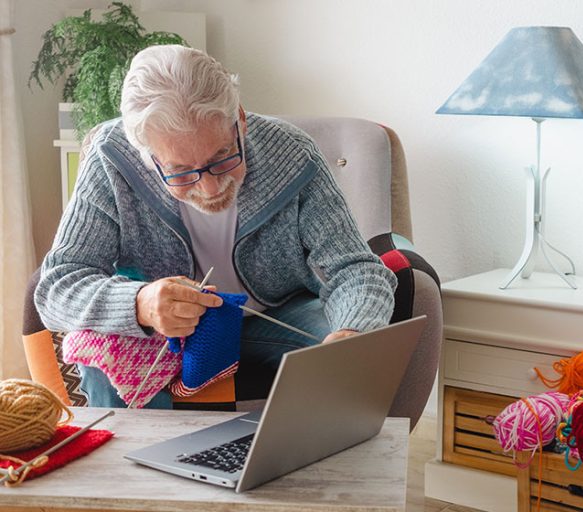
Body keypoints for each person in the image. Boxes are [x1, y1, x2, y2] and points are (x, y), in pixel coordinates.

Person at [34, 45, 397, 408]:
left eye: (222, 156)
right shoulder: (110, 157)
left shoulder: (293, 154)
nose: (210, 188)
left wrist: (353, 332)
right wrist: (140, 303)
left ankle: (310, 460)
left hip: (272, 315)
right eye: (181, 172)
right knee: (105, 350)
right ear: (144, 154)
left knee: (347, 349)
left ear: (239, 119)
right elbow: (57, 286)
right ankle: (136, 462)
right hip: (164, 333)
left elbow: (354, 268)